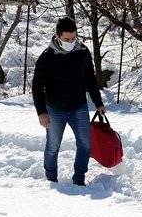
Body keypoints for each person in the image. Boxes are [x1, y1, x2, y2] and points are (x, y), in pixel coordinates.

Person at [31, 17, 105, 186]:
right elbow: (37, 87)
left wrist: (98, 102)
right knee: (53, 146)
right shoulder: (47, 57)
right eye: (66, 39)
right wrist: (41, 112)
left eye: (73, 38)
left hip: (78, 106)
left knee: (85, 144)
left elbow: (90, 79)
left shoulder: (83, 52)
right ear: (58, 37)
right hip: (54, 109)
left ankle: (79, 179)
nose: (71, 42)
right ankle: (51, 179)